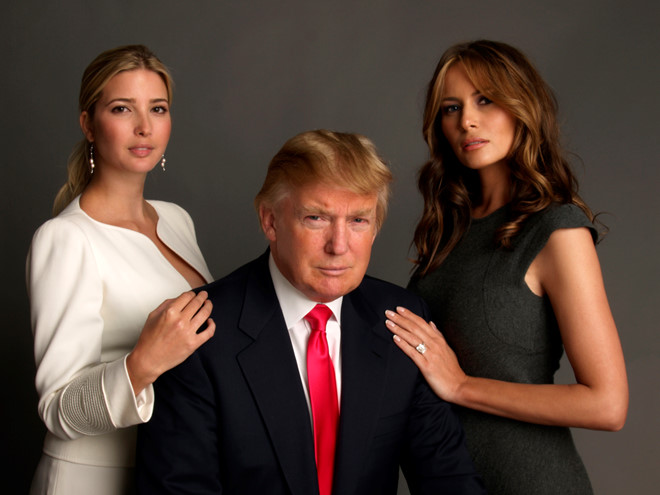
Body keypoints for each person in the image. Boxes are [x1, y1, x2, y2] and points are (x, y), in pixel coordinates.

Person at [136, 129, 485, 494]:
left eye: (358, 221)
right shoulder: (199, 332)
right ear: (270, 221)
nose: (339, 246)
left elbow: (449, 478)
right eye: (316, 218)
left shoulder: (401, 319)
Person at [384, 40, 629, 494]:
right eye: (451, 108)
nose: (466, 121)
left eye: (485, 100)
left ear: (523, 108)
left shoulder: (556, 230)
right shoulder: (451, 229)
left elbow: (607, 405)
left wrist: (461, 386)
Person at [26, 45, 216, 495]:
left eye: (158, 108)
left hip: (172, 468)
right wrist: (143, 363)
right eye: (122, 109)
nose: (144, 126)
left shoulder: (176, 220)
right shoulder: (66, 238)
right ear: (89, 124)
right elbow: (57, 409)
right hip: (94, 479)